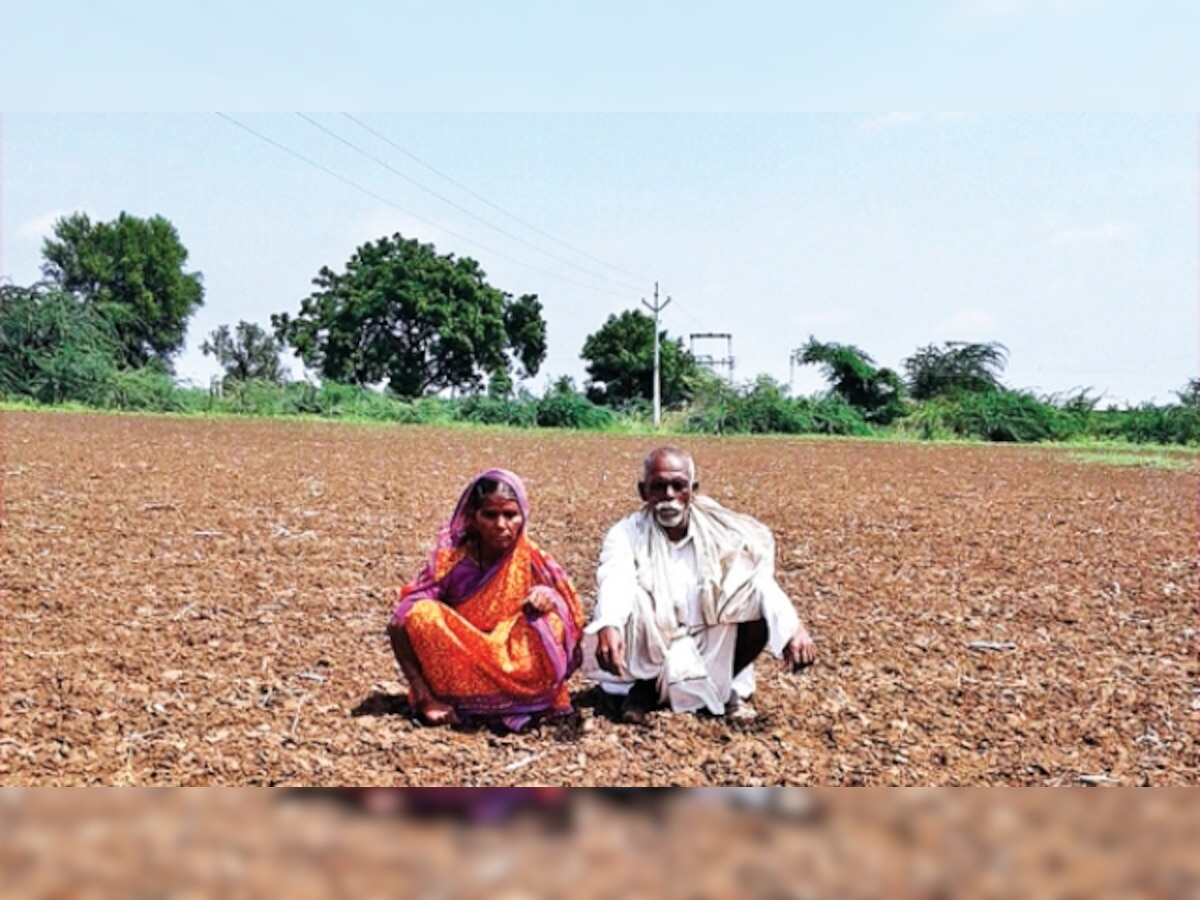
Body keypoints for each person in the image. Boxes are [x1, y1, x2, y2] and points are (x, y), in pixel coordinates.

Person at [584, 447, 815, 725]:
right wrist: (610, 623)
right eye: (658, 486)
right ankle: (645, 688)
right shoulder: (625, 534)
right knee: (624, 600)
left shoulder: (722, 532)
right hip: (651, 647)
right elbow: (614, 577)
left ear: (692, 490)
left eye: (678, 486)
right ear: (643, 492)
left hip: (713, 645)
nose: (669, 495)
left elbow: (759, 583)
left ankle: (724, 688)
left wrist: (793, 627)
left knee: (750, 593)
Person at [387, 469, 585, 732]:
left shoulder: (532, 559)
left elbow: (572, 614)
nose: (501, 525)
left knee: (550, 622)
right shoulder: (452, 561)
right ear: (474, 517)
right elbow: (399, 622)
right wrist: (423, 694)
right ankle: (460, 703)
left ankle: (518, 702)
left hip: (512, 663)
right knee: (423, 614)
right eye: (490, 515)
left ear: (523, 516)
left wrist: (548, 598)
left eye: (510, 515)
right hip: (463, 662)